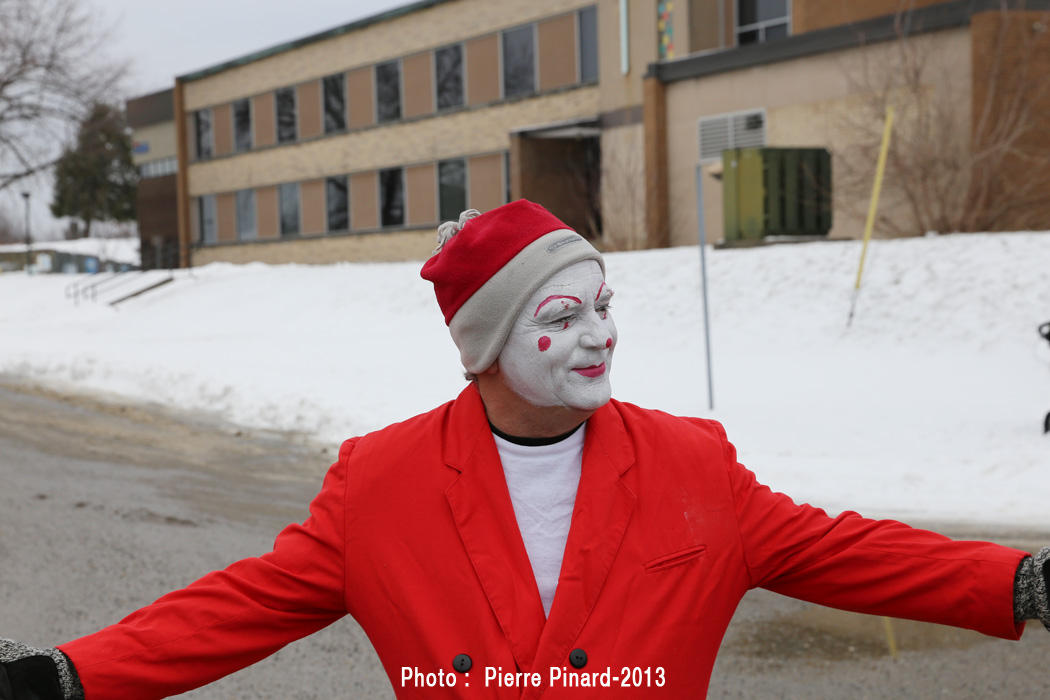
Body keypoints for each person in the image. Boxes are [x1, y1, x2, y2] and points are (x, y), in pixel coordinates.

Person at [1, 199, 1048, 700]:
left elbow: (849, 553)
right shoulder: (382, 485)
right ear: (487, 347)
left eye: (603, 304)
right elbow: (234, 609)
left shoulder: (693, 468)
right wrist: (69, 673)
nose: (599, 334)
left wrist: (1022, 581)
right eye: (562, 315)